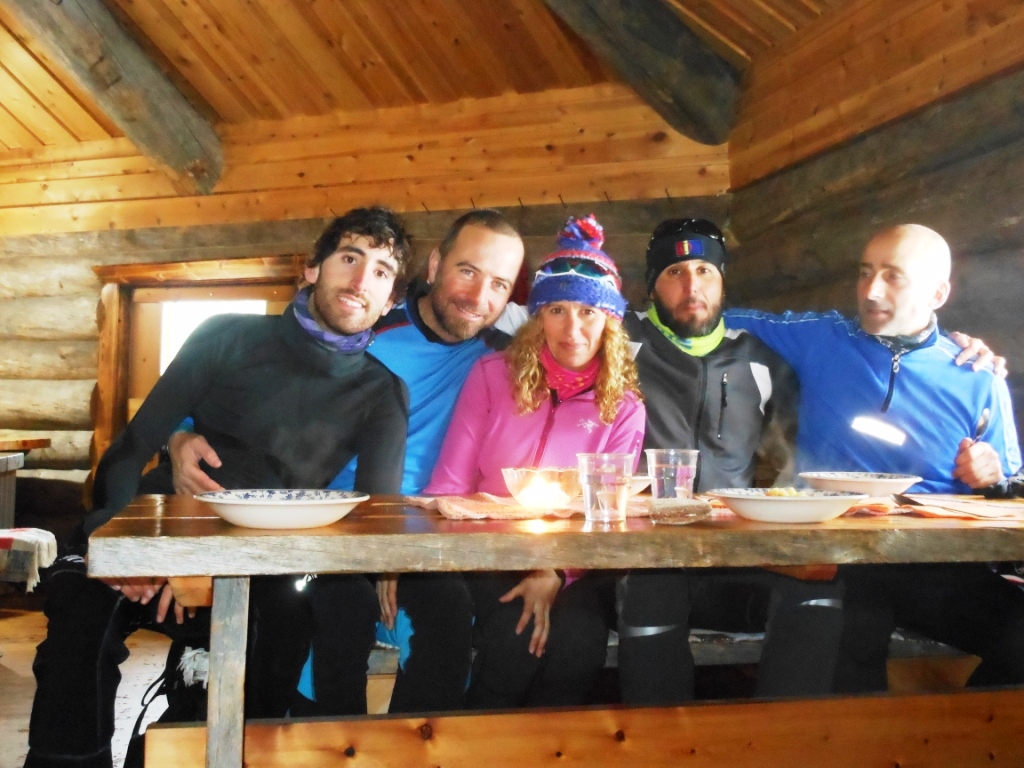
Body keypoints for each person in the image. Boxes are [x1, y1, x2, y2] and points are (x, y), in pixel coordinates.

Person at [25, 207, 413, 768]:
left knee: (276, 640)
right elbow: (131, 449)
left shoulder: (383, 394)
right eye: (349, 258)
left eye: (380, 272)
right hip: (156, 523)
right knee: (80, 621)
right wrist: (126, 545)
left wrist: (212, 564)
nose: (360, 281)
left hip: (261, 558)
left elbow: (373, 525)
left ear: (391, 299)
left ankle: (172, 747)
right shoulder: (227, 335)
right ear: (312, 269)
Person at [169, 208, 526, 714]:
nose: (478, 296)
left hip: (426, 536)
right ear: (434, 265)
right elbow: (249, 391)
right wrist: (179, 434)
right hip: (323, 523)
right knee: (334, 619)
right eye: (467, 271)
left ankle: (404, 746)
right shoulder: (366, 327)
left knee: (448, 618)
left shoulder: (503, 358)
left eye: (499, 284)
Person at [725, 223, 1024, 691]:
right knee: (848, 634)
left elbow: (1011, 489)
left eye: (893, 276)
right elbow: (708, 316)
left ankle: (963, 729)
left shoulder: (977, 375)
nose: (871, 290)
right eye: (865, 273)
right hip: (838, 552)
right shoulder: (822, 337)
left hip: (937, 566)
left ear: (938, 293)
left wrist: (992, 477)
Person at [615, 218, 847, 704]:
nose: (692, 286)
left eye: (705, 270)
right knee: (653, 587)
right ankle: (660, 739)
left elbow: (798, 450)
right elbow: (541, 328)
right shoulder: (616, 344)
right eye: (675, 272)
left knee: (818, 590)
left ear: (722, 282)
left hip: (733, 557)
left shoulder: (760, 358)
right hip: (638, 558)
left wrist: (959, 345)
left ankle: (786, 737)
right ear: (651, 286)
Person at [426, 214, 645, 707]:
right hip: (487, 554)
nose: (573, 329)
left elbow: (606, 514)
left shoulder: (624, 407)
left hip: (576, 564)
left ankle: (549, 743)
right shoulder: (491, 376)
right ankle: (477, 740)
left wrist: (554, 572)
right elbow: (449, 487)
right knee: (515, 638)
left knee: (579, 645)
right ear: (538, 316)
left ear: (610, 321)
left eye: (588, 312)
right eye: (557, 310)